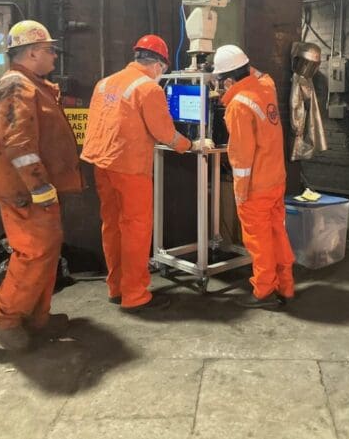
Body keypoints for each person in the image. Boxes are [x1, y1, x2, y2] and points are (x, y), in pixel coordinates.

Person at [81, 35, 212, 313]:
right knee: (136, 230)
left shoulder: (105, 83)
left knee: (112, 226)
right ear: (160, 65)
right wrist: (191, 145)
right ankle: (135, 295)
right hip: (129, 167)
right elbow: (164, 133)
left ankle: (116, 288)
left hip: (101, 164)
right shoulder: (148, 88)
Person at [0, 20, 83, 351]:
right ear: (33, 52)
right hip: (24, 192)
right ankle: (3, 317)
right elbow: (18, 143)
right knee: (34, 253)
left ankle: (36, 318)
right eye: (50, 50)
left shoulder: (31, 84)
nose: (54, 56)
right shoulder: (15, 87)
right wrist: (38, 186)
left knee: (47, 250)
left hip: (35, 190)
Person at [213, 45, 295, 309]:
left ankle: (264, 292)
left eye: (220, 83)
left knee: (259, 242)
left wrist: (240, 192)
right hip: (276, 180)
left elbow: (241, 156)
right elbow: (260, 74)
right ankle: (286, 286)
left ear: (227, 80)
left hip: (255, 186)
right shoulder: (266, 88)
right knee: (277, 235)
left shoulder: (237, 106)